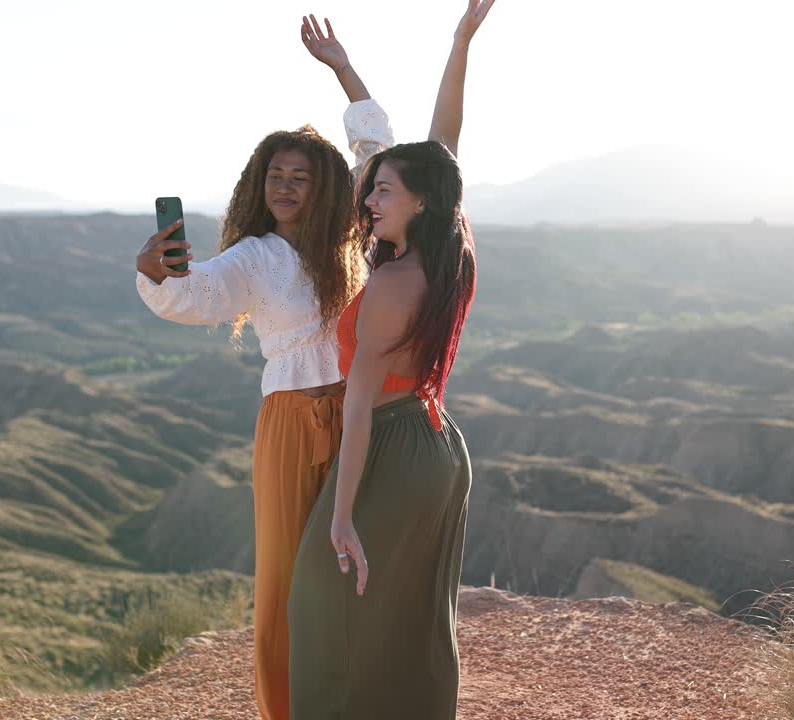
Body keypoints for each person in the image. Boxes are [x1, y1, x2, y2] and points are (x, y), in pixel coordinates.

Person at [133, 16, 393, 720]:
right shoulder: (253, 257)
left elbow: (378, 150)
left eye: (299, 177)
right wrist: (154, 273)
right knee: (283, 578)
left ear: (325, 188)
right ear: (259, 183)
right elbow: (196, 296)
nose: (284, 186)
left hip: (358, 415)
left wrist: (343, 68)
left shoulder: (351, 239)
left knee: (356, 567)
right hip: (290, 423)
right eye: (274, 175)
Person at [287, 1, 495, 717]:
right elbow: (444, 145)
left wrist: (341, 518)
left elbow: (357, 413)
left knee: (321, 594)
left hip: (392, 446)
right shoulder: (442, 248)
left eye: (381, 189)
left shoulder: (389, 285)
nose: (367, 195)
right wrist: (460, 40)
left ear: (416, 203)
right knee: (410, 616)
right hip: (437, 444)